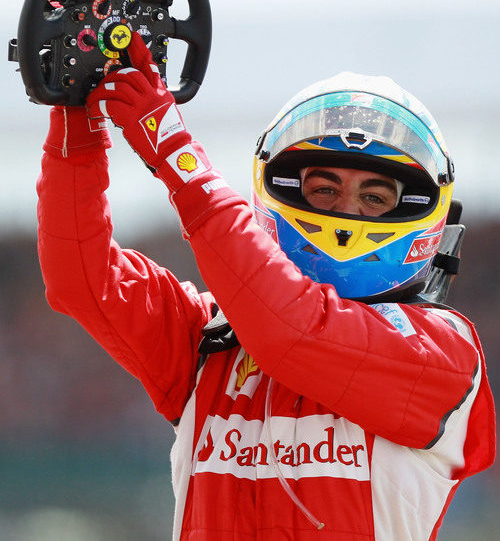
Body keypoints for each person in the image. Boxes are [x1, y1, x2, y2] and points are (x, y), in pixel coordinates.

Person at [37, 33, 496, 540]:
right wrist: (74, 125)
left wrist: (175, 152)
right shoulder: (214, 333)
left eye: (374, 196)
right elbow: (80, 277)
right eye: (324, 190)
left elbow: (292, 330)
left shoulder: (443, 350)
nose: (346, 212)